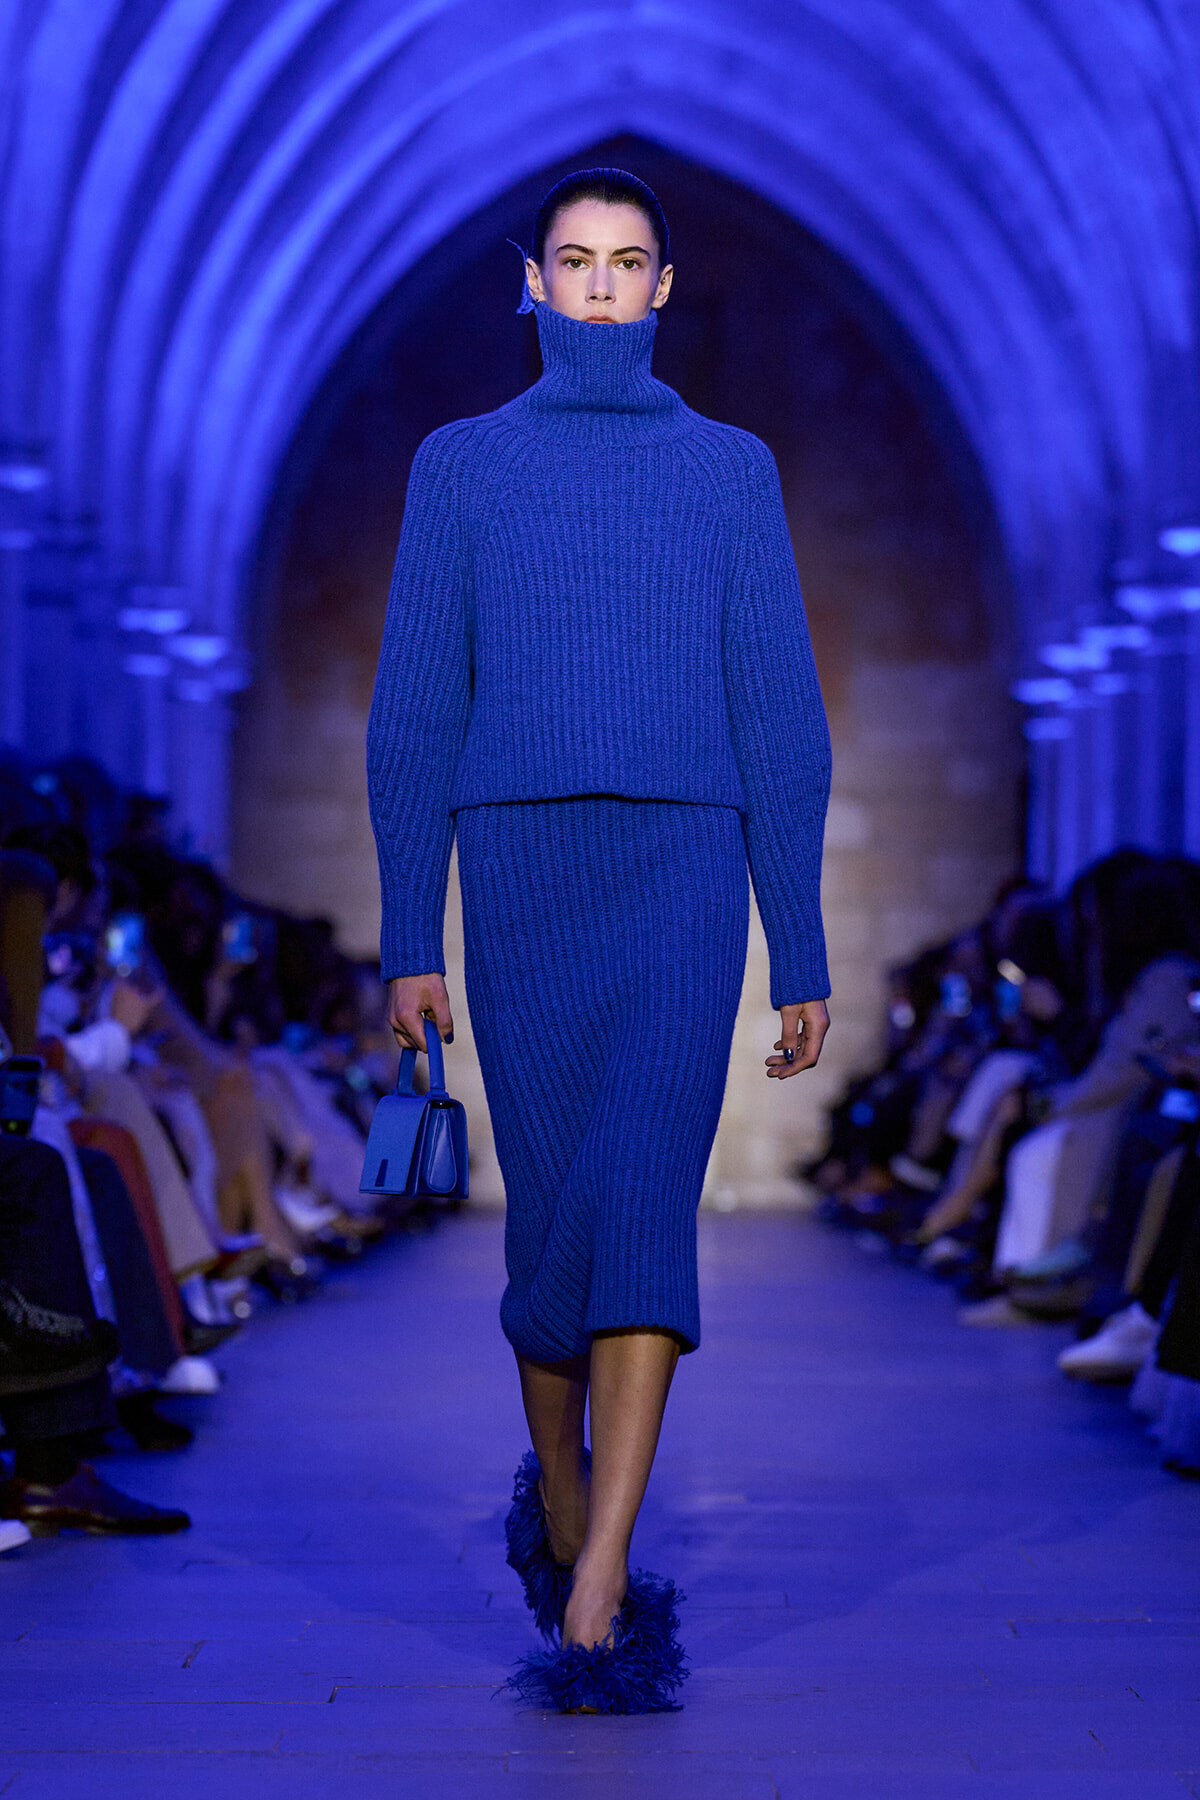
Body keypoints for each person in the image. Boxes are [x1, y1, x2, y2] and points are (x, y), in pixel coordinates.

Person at [366, 167, 831, 1713]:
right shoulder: (463, 469)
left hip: (681, 871)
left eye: (628, 263)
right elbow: (416, 713)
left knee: (640, 1201)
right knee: (555, 1213)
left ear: (664, 288)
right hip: (521, 870)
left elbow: (780, 719)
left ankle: (596, 1593)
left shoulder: (730, 473)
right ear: (535, 281)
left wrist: (801, 943)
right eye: (575, 260)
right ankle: (562, 1507)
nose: (602, 285)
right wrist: (403, 938)